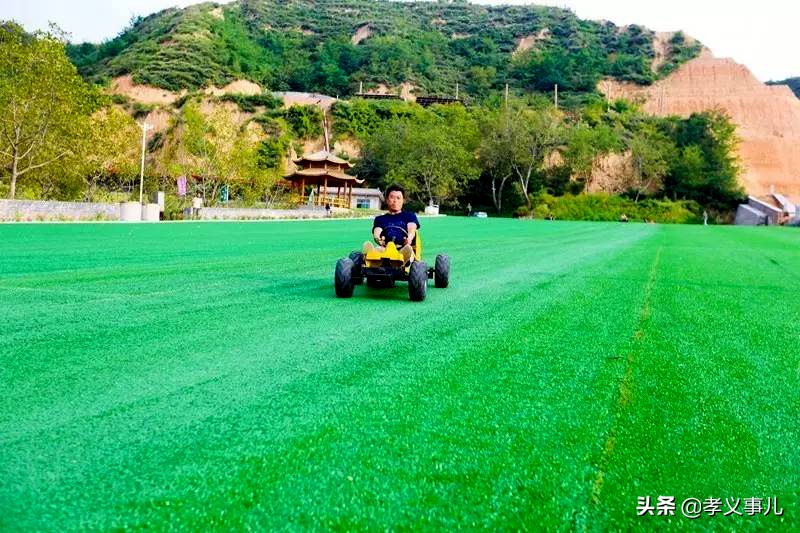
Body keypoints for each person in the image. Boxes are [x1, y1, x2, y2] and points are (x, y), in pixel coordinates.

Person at [363, 184, 420, 264]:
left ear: (403, 200)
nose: (395, 200)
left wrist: (409, 238)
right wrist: (378, 238)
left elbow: (412, 229)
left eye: (398, 198)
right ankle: (372, 259)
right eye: (392, 197)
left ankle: (400, 261)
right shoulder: (380, 219)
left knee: (407, 250)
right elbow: (377, 231)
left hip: (402, 248)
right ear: (387, 200)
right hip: (385, 248)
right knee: (378, 250)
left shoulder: (410, 216)